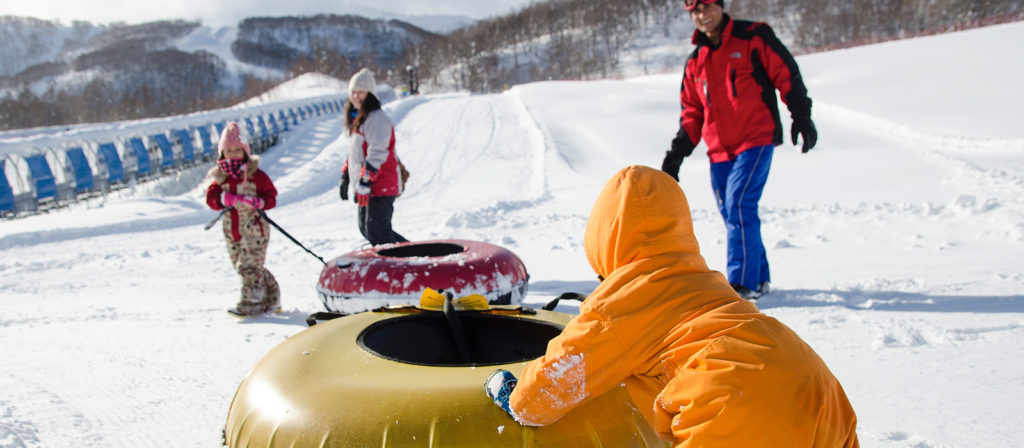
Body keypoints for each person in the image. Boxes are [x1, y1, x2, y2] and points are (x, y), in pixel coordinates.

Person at [485, 166, 858, 447]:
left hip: (735, 396)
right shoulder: (703, 277)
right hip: (811, 379)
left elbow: (553, 384)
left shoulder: (619, 304)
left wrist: (515, 397)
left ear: (604, 239)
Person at [661, 0, 817, 300]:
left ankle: (741, 285)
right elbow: (692, 113)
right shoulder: (695, 62)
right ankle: (759, 279)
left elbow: (787, 75)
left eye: (706, 7)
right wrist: (677, 154)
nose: (702, 15)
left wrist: (801, 115)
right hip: (719, 151)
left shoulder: (753, 38)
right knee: (733, 214)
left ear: (720, 6)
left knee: (739, 206)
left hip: (755, 140)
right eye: (694, 11)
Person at [206, 121, 281, 317]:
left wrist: (259, 202)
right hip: (233, 230)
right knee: (245, 267)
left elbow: (271, 197)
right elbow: (211, 200)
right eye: (228, 150)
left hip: (255, 230)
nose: (233, 154)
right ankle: (272, 297)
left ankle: (251, 304)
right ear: (222, 153)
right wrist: (224, 198)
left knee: (249, 267)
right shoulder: (221, 178)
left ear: (245, 152)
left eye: (237, 150)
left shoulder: (256, 176)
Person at [339, 67, 408, 246]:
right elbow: (355, 153)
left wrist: (365, 182)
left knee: (377, 231)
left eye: (360, 92)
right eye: (353, 92)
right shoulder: (360, 119)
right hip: (369, 185)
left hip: (381, 183)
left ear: (370, 94)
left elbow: (377, 153)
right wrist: (346, 176)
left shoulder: (377, 118)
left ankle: (407, 265)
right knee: (368, 229)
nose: (355, 96)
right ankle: (413, 254)